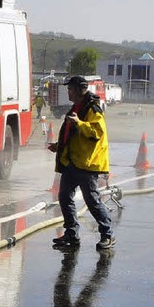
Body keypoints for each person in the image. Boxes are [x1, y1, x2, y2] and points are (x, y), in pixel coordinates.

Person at [47, 76, 115, 250]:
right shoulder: (75, 108)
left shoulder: (92, 109)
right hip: (72, 163)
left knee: (92, 200)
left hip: (87, 164)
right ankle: (71, 233)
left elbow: (96, 133)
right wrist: (59, 146)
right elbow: (71, 134)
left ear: (78, 90)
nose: (68, 92)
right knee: (63, 196)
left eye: (70, 89)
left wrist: (79, 123)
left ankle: (107, 234)